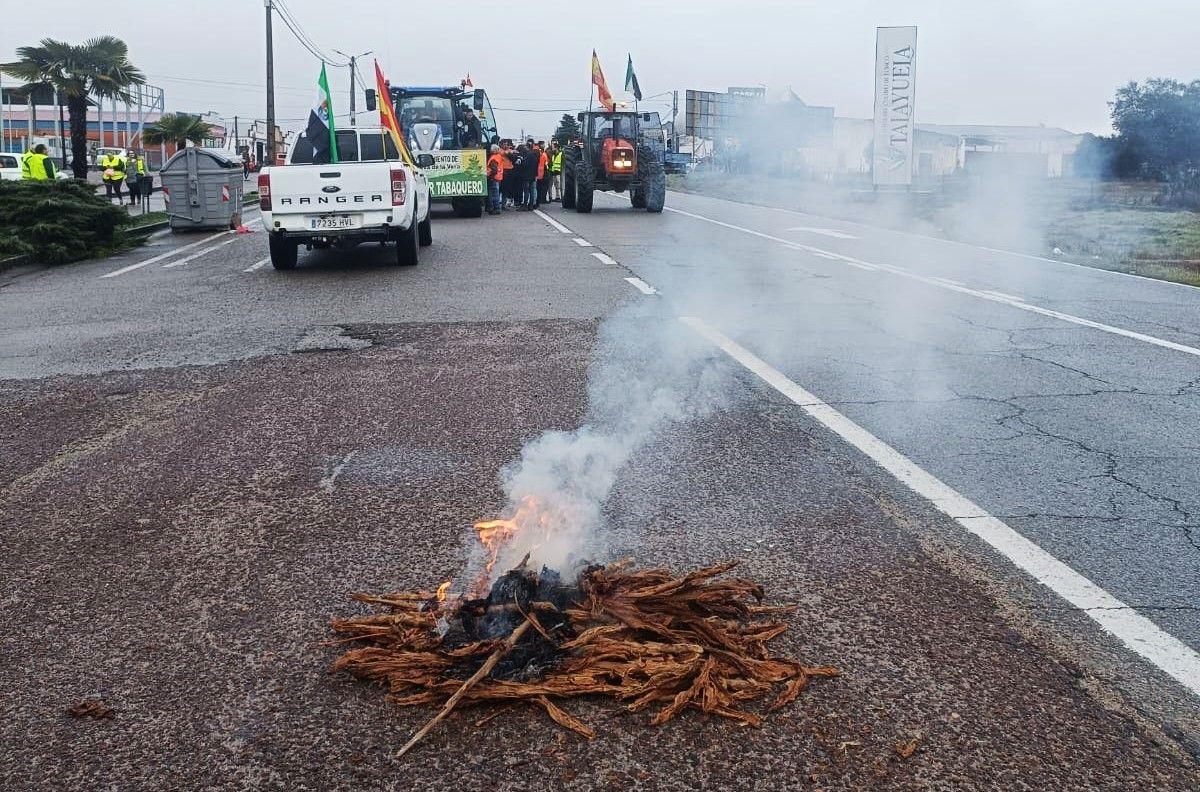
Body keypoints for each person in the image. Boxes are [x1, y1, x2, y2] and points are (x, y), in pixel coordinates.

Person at [486, 143, 505, 215]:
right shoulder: (498, 156)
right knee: (495, 194)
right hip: (498, 178)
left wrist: (489, 176)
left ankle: (495, 208)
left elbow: (493, 169)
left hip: (493, 178)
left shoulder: (494, 158)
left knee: (493, 194)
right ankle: (495, 208)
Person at [536, 141, 550, 206]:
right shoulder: (543, 154)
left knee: (538, 187)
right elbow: (546, 163)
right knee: (544, 187)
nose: (544, 146)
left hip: (538, 172)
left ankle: (539, 199)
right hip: (543, 172)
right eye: (543, 145)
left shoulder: (538, 153)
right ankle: (542, 199)